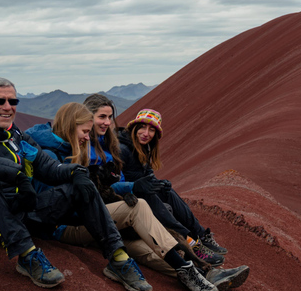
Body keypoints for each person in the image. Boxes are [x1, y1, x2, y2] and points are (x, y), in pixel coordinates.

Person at [0, 77, 150, 291]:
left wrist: (76, 172)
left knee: (81, 183)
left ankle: (118, 257)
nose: (7, 107)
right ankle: (27, 256)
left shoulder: (16, 137)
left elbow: (49, 168)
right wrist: (16, 175)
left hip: (20, 216)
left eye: (12, 102)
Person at [26, 102, 248, 291]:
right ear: (69, 126)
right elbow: (55, 204)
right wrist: (106, 209)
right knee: (139, 208)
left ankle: (202, 274)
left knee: (142, 248)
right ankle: (197, 269)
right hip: (66, 227)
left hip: (89, 219)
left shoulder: (75, 149)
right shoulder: (51, 157)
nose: (88, 136)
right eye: (85, 131)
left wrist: (120, 192)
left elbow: (97, 187)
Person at [82, 95, 225, 266]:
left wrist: (158, 184)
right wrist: (135, 187)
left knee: (167, 191)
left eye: (151, 130)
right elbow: (113, 182)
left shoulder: (142, 149)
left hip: (129, 194)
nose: (146, 133)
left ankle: (200, 235)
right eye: (142, 128)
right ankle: (192, 244)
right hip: (121, 200)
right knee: (151, 197)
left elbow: (145, 176)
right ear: (134, 128)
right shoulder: (122, 149)